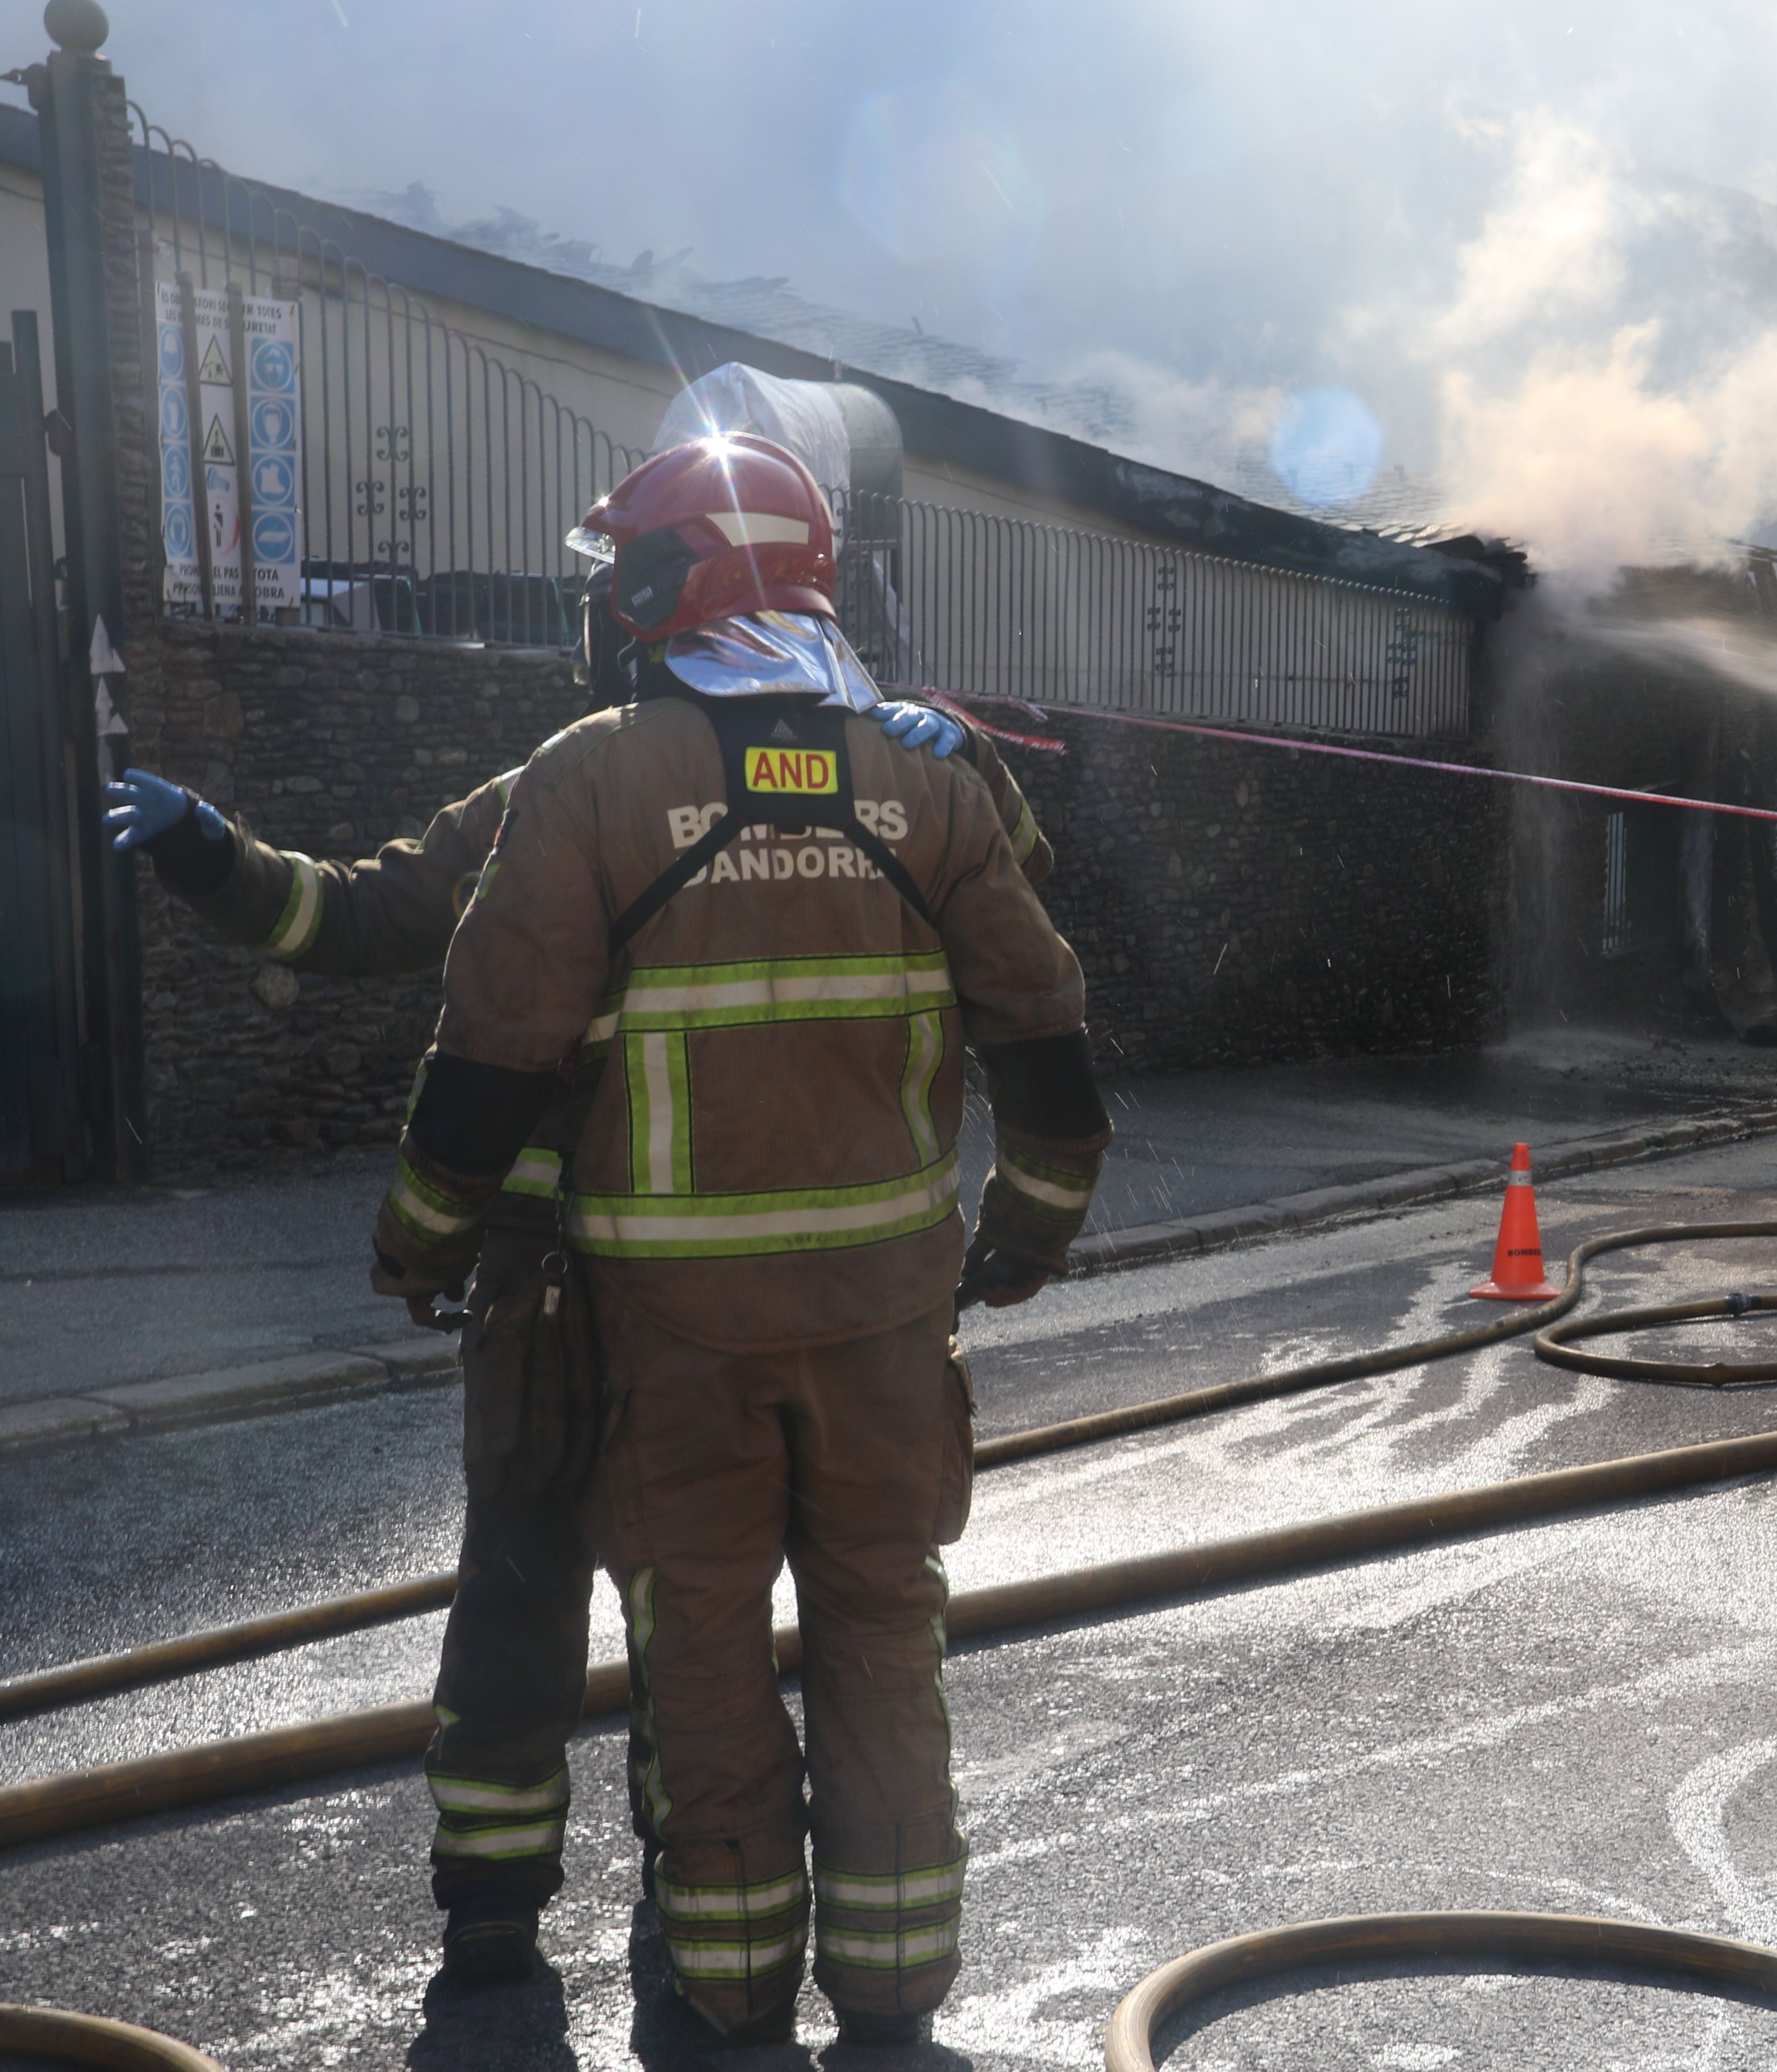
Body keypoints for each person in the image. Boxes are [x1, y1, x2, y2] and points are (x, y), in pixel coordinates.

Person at [103, 667, 1044, 1994]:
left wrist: (980, 760)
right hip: (557, 1288)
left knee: (690, 1613)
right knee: (527, 1585)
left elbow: (989, 878)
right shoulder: (562, 783)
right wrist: (212, 855)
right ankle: (499, 1900)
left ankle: (705, 1878)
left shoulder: (815, 782)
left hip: (679, 1290)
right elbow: (360, 910)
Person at [358, 433, 1104, 2046]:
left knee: (699, 1659)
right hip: (892, 1328)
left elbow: (490, 1051)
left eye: (617, 577)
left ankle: (730, 1999)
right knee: (885, 1644)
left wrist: (418, 1246)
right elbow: (1044, 1018)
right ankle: (898, 1990)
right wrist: (1031, 1225)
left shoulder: (593, 778)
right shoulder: (926, 779)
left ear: (661, 586)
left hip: (676, 1335)